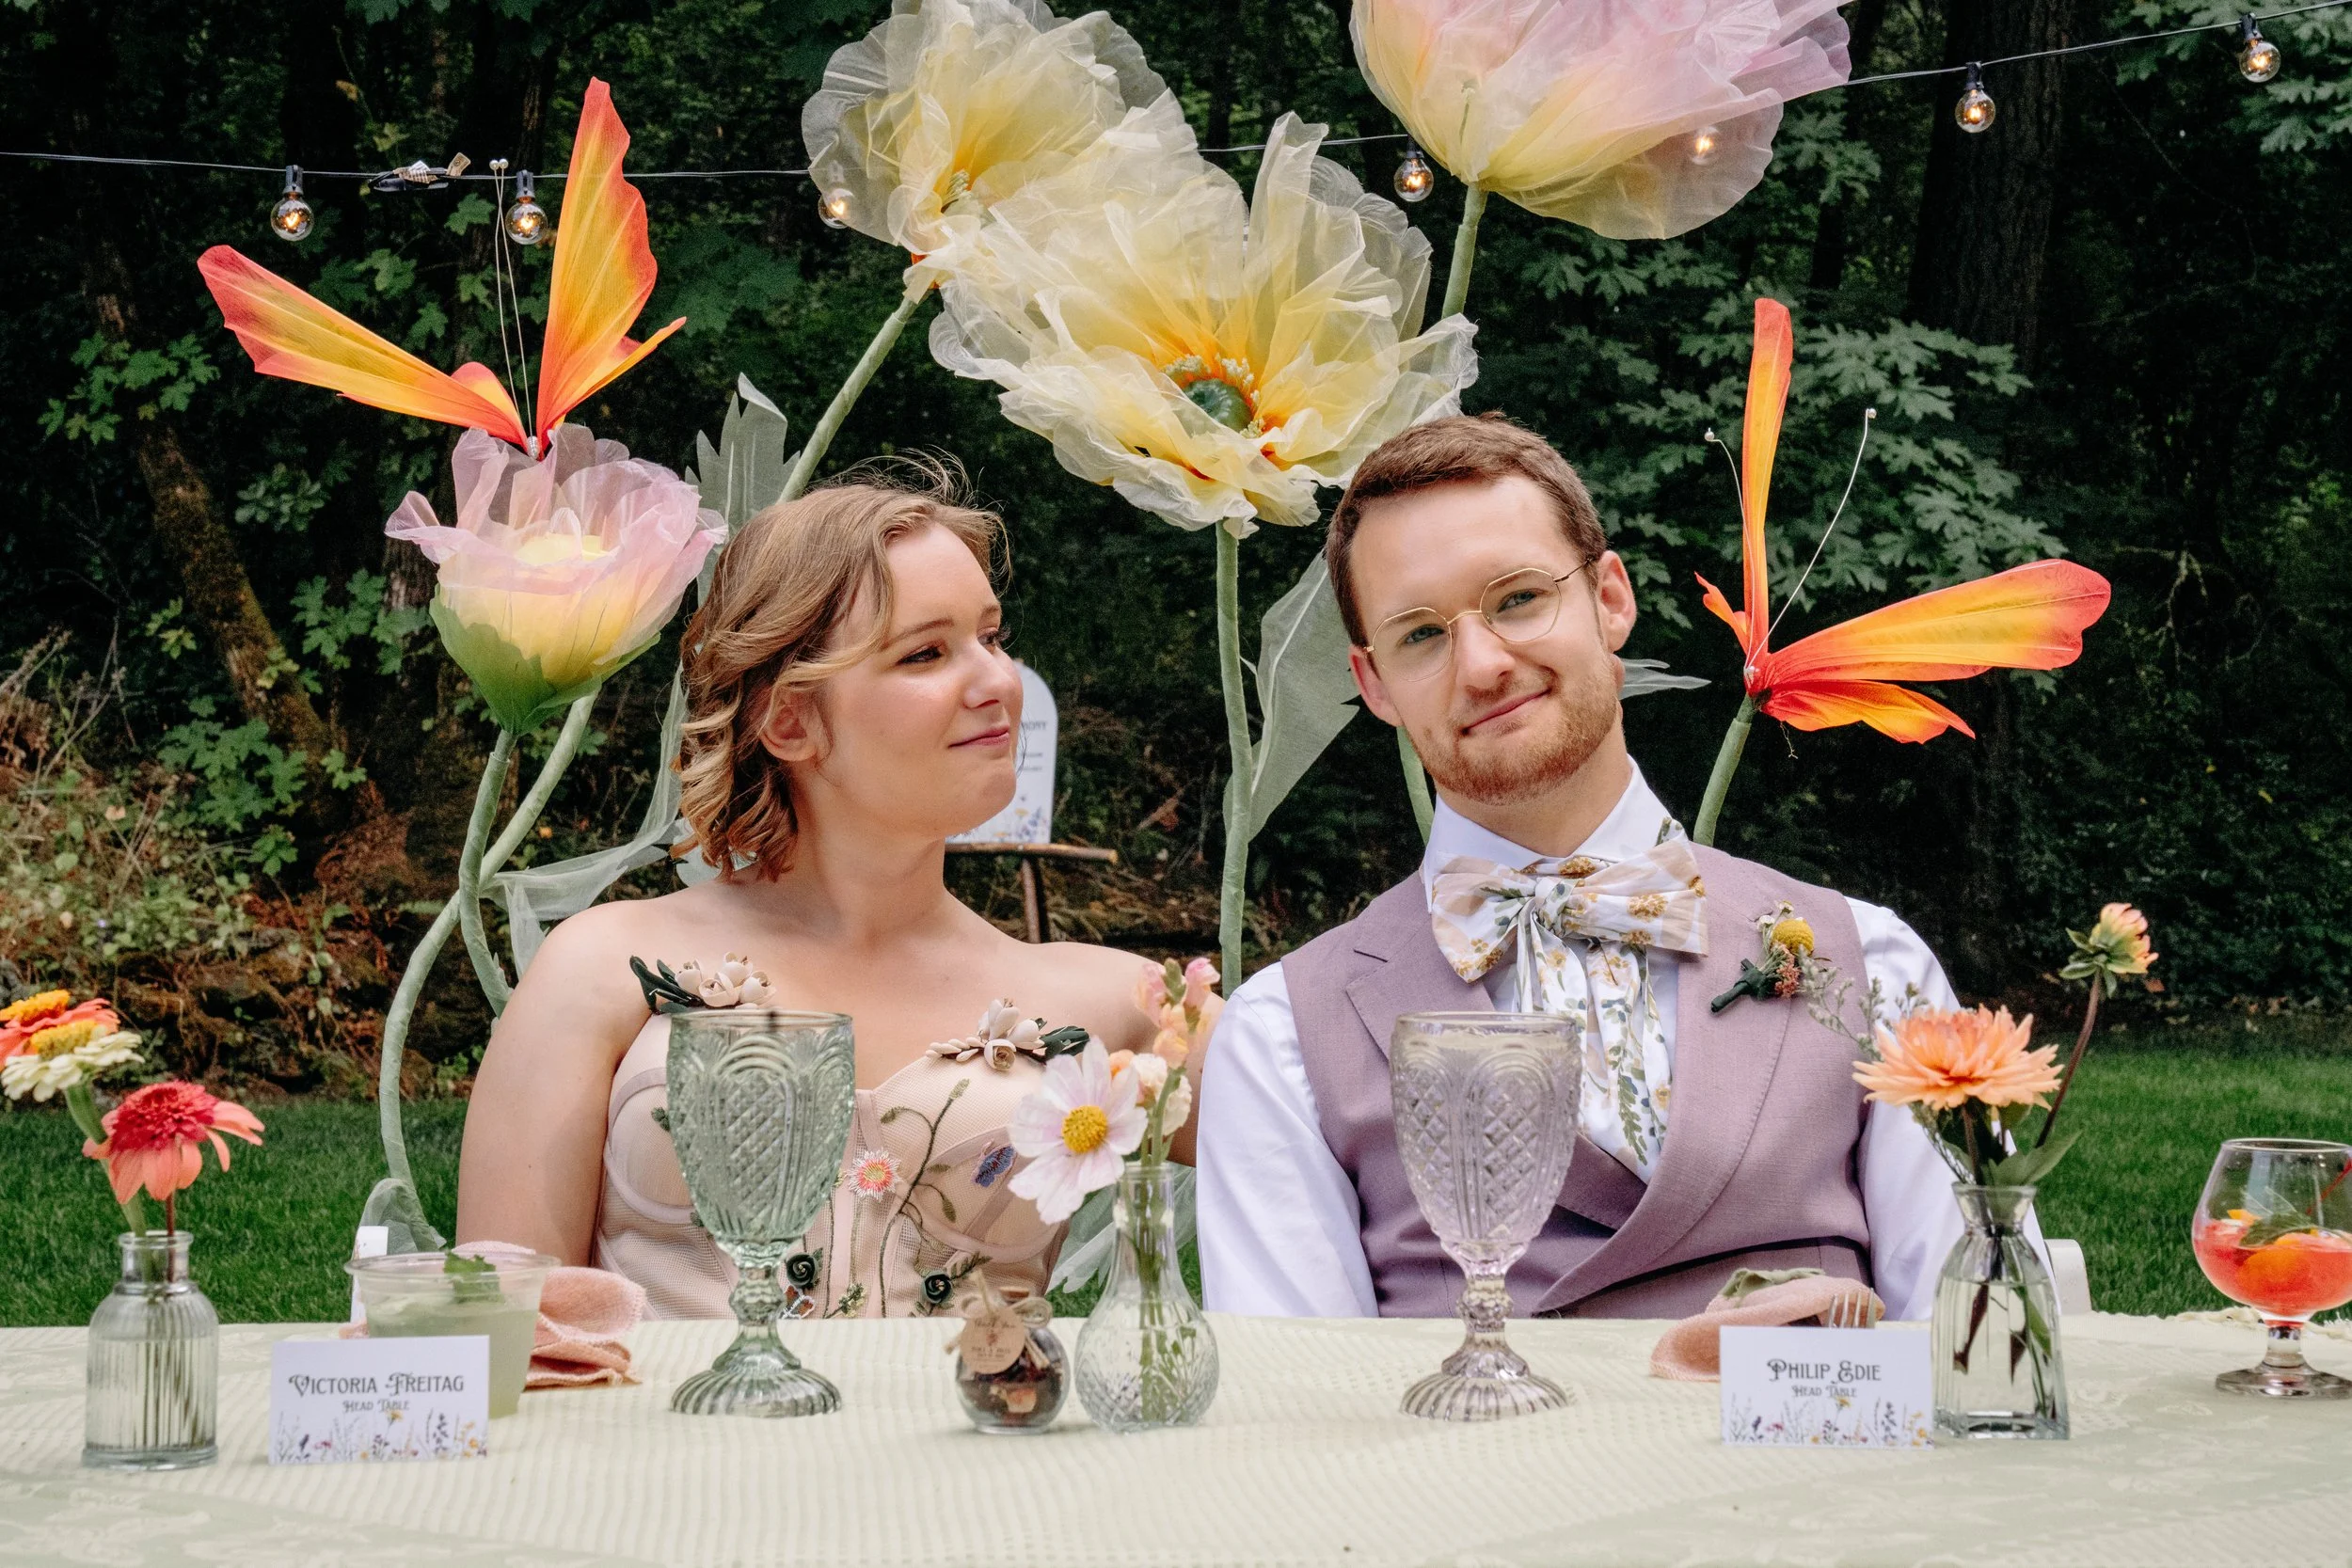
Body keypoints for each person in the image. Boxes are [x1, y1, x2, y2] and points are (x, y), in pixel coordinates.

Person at [1197, 414, 1971, 1321]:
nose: (1482, 665)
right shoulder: (1282, 1039)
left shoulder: (1876, 967)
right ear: (1373, 686)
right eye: (1420, 635)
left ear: (1609, 599)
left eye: (1519, 598)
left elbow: (1981, 1357)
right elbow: (1299, 1415)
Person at [457, 464, 1156, 1318]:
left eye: (992, 637)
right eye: (926, 652)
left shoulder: (1115, 1003)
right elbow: (495, 1332)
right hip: (672, 1451)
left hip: (982, 1444)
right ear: (791, 720)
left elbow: (1350, 1154)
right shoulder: (601, 972)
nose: (998, 683)